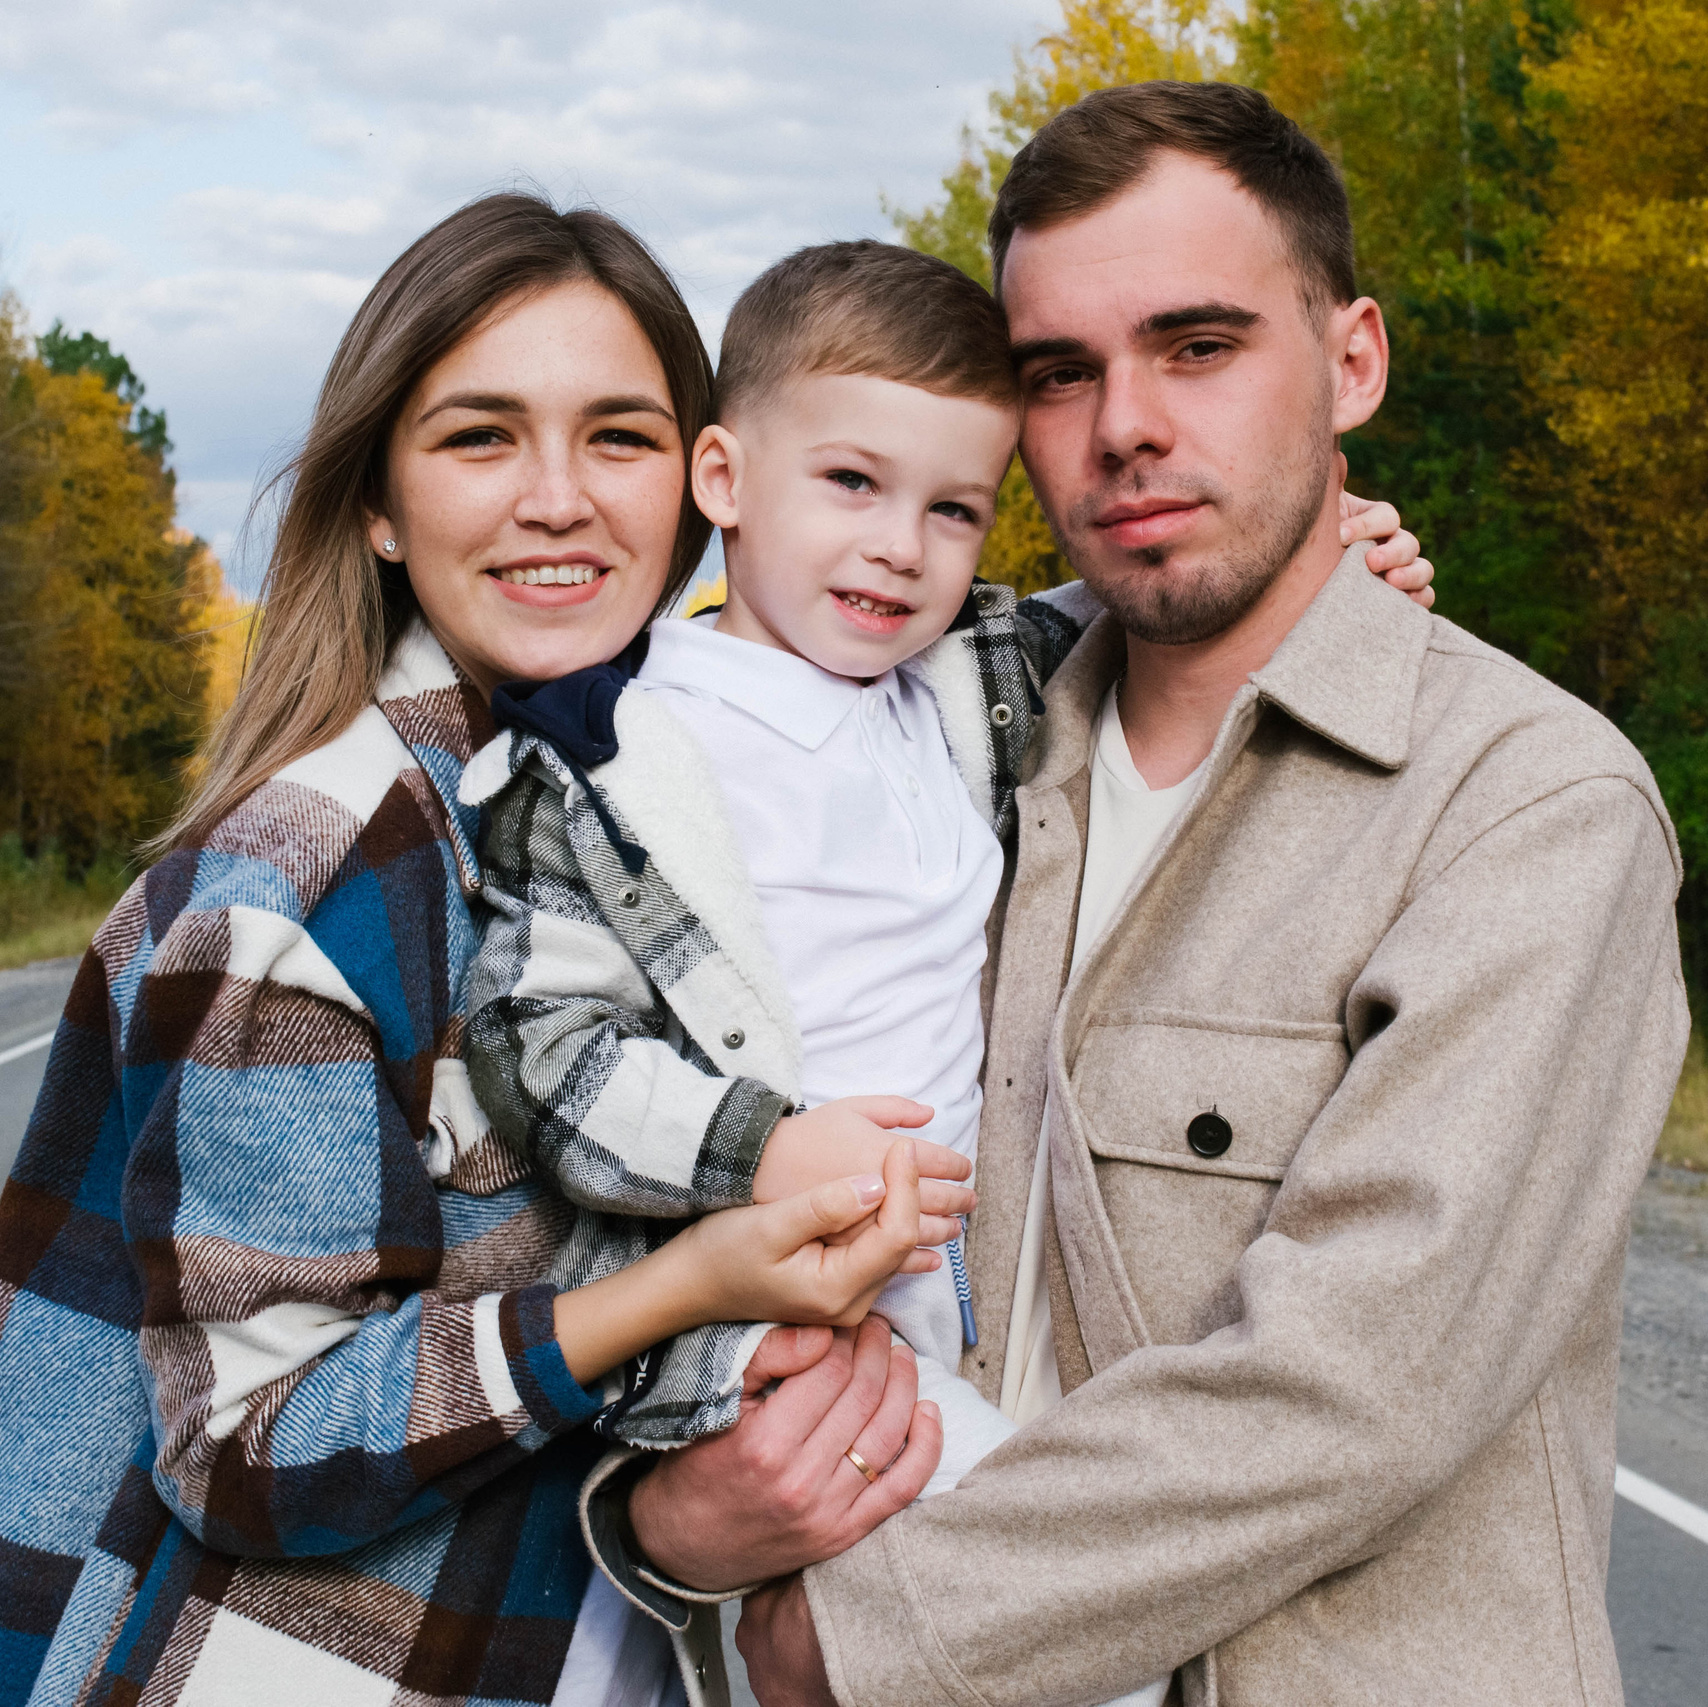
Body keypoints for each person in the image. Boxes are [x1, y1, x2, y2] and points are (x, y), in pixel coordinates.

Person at [609, 82, 1688, 1707]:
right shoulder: (941, 759)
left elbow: (1343, 1400)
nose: (1124, 425)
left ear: (1353, 364)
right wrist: (670, 1523)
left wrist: (852, 1640)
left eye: (1199, 346)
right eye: (1060, 372)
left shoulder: (1527, 804)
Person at [0, 194, 947, 1707]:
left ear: (709, 483)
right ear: (380, 503)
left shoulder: (668, 782)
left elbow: (949, 636)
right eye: (481, 438)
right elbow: (242, 1446)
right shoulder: (312, 880)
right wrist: (676, 1291)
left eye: (619, 437)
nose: (559, 498)